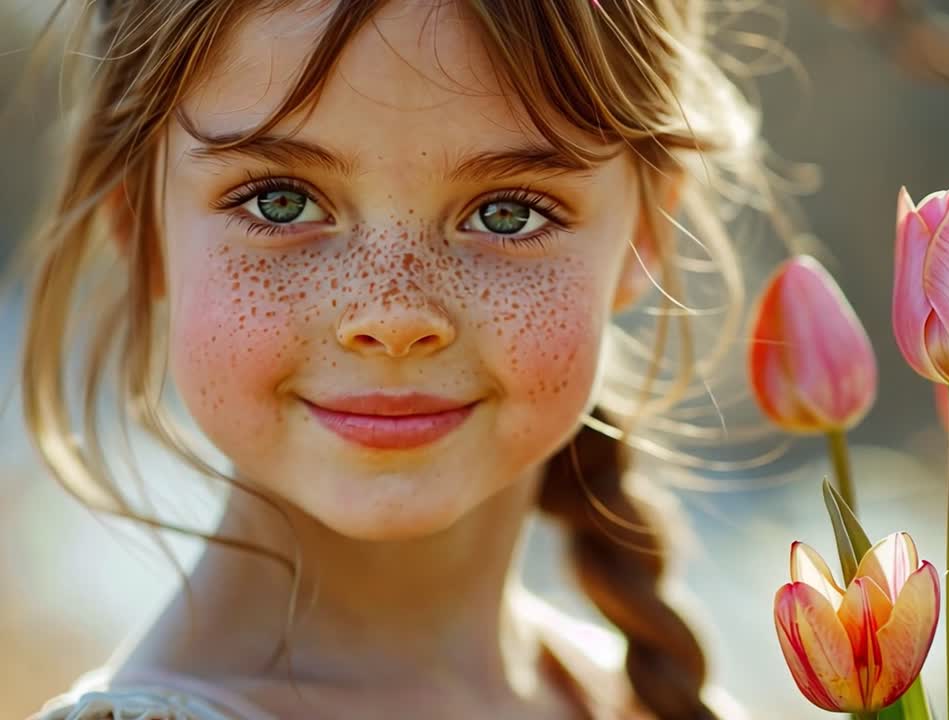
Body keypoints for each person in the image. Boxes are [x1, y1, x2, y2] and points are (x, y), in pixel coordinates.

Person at [20, 0, 798, 717]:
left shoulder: (630, 700)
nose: (393, 316)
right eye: (280, 202)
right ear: (141, 227)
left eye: (508, 212)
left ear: (646, 234)